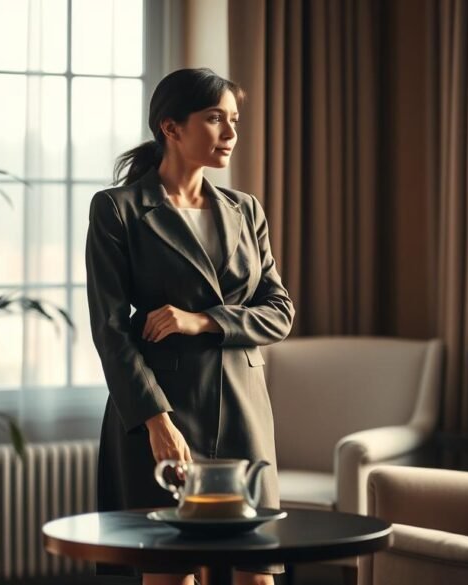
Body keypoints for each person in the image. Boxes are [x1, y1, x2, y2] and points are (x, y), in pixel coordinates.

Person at [86, 68, 295, 585]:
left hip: (245, 411)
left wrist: (202, 320)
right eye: (215, 119)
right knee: (170, 572)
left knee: (255, 569)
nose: (230, 133)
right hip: (164, 412)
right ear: (171, 127)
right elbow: (110, 330)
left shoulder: (245, 210)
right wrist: (156, 421)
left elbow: (280, 311)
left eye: (234, 121)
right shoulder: (119, 209)